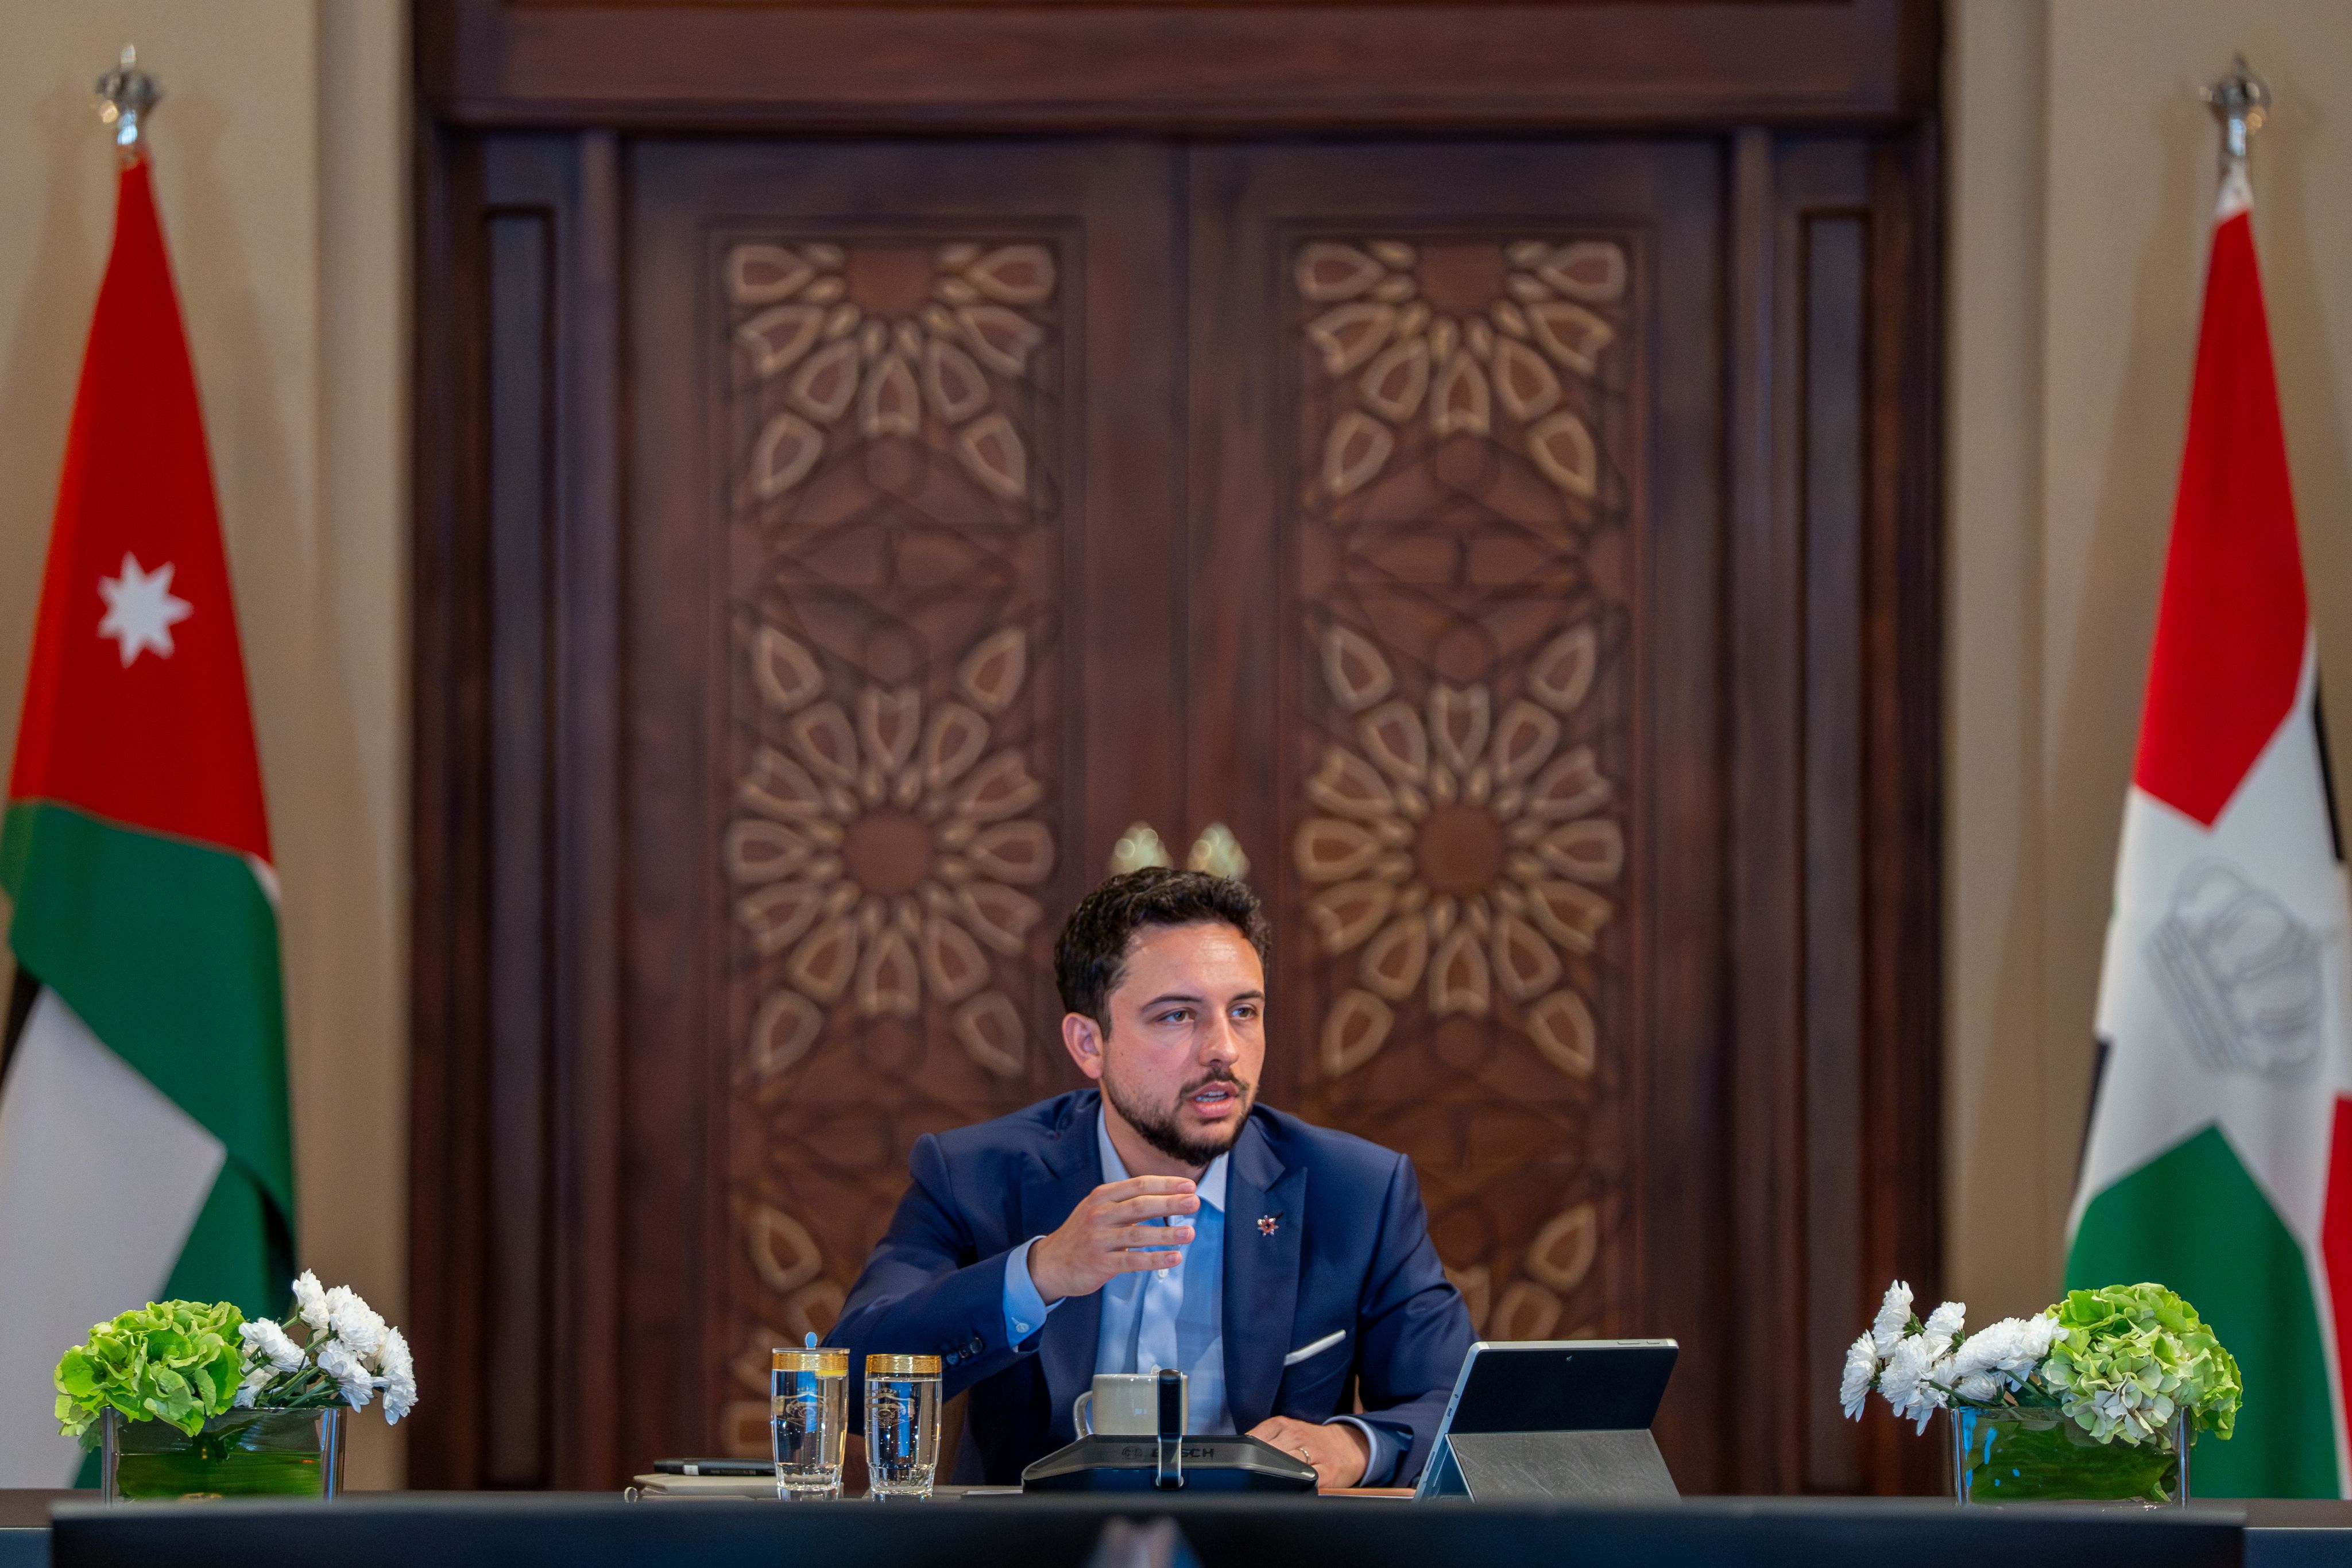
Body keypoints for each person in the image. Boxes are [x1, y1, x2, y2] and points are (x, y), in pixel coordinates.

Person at [831, 868, 1473, 1488]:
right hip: (1039, 1545)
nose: (1224, 1049)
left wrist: (1352, 1445)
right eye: (1177, 1016)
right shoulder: (975, 1175)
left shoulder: (1357, 1190)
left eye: (1244, 1011)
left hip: (1269, 1545)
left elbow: (1457, 1409)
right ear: (1089, 1043)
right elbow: (855, 1386)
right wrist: (1041, 1272)